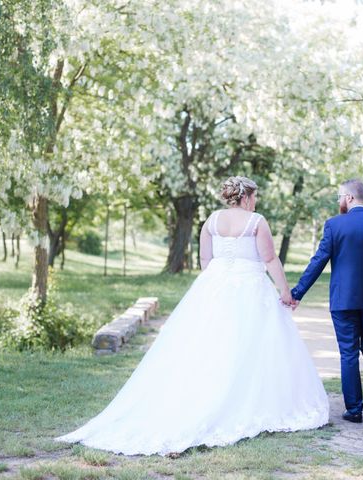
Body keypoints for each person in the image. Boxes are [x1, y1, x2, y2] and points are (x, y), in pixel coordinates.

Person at [55, 176, 329, 455]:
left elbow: (206, 262)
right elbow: (270, 259)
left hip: (214, 288)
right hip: (250, 288)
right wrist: (285, 292)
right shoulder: (256, 221)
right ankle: (248, 402)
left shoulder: (210, 221)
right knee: (252, 348)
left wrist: (217, 285)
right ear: (246, 197)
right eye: (254, 197)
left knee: (208, 346)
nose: (255, 202)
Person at [290, 179, 363, 423]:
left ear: (349, 197)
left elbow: (318, 262)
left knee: (348, 352)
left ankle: (353, 410)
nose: (338, 201)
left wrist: (297, 292)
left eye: (339, 196)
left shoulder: (334, 225)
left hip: (344, 299)